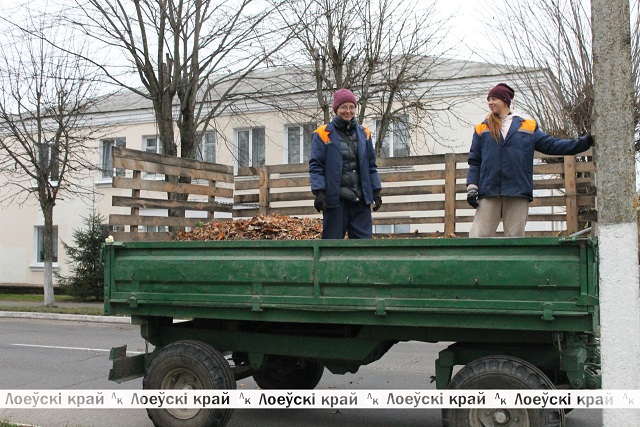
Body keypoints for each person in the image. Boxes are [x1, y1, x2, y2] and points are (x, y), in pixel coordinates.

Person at [466, 83, 593, 238]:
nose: (490, 102)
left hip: (517, 190)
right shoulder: (481, 128)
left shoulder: (528, 126)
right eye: (489, 99)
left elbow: (553, 145)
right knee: (478, 237)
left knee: (515, 240)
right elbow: (475, 160)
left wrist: (585, 142)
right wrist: (472, 187)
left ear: (505, 101)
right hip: (489, 190)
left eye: (494, 99)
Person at [309, 88, 382, 239]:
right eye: (343, 107)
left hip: (360, 200)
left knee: (363, 247)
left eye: (351, 107)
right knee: (332, 246)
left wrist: (376, 191)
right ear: (336, 109)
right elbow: (316, 166)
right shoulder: (322, 134)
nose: (348, 111)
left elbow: (371, 166)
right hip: (335, 201)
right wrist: (319, 192)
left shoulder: (365, 134)